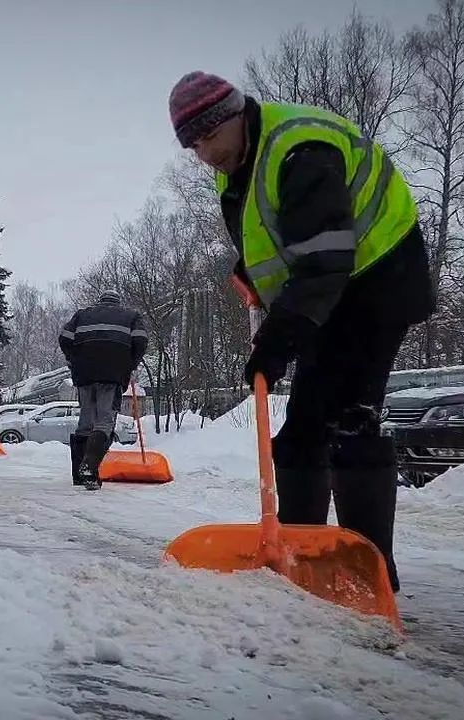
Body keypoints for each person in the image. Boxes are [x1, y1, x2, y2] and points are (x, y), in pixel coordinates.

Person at [167, 71, 436, 590]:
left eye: (208, 138)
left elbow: (323, 258)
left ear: (236, 116)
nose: (203, 153)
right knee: (301, 433)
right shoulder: (236, 163)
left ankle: (371, 571)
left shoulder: (299, 150)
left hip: (377, 282)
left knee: (352, 419)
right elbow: (273, 233)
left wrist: (278, 340)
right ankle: (301, 559)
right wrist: (250, 270)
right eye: (192, 145)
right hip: (329, 294)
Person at [58, 290, 148, 490]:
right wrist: (129, 363)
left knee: (86, 420)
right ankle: (89, 469)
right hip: (113, 374)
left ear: (100, 302)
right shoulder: (131, 316)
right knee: (105, 421)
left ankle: (78, 475)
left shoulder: (82, 315)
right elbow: (141, 341)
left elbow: (64, 338)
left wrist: (74, 360)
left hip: (84, 374)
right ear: (118, 302)